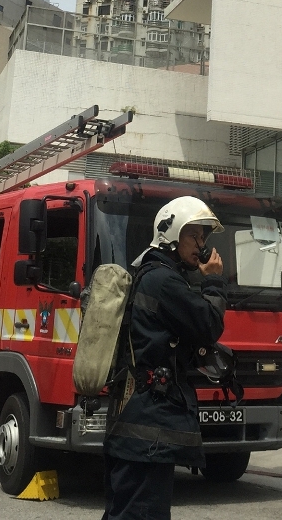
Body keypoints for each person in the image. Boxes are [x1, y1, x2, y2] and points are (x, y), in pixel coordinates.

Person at [102, 196, 227, 520]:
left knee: (127, 510)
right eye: (194, 236)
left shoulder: (151, 274)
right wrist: (213, 281)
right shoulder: (164, 280)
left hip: (139, 420)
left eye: (204, 237)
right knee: (142, 513)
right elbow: (208, 324)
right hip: (149, 426)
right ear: (171, 234)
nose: (201, 246)